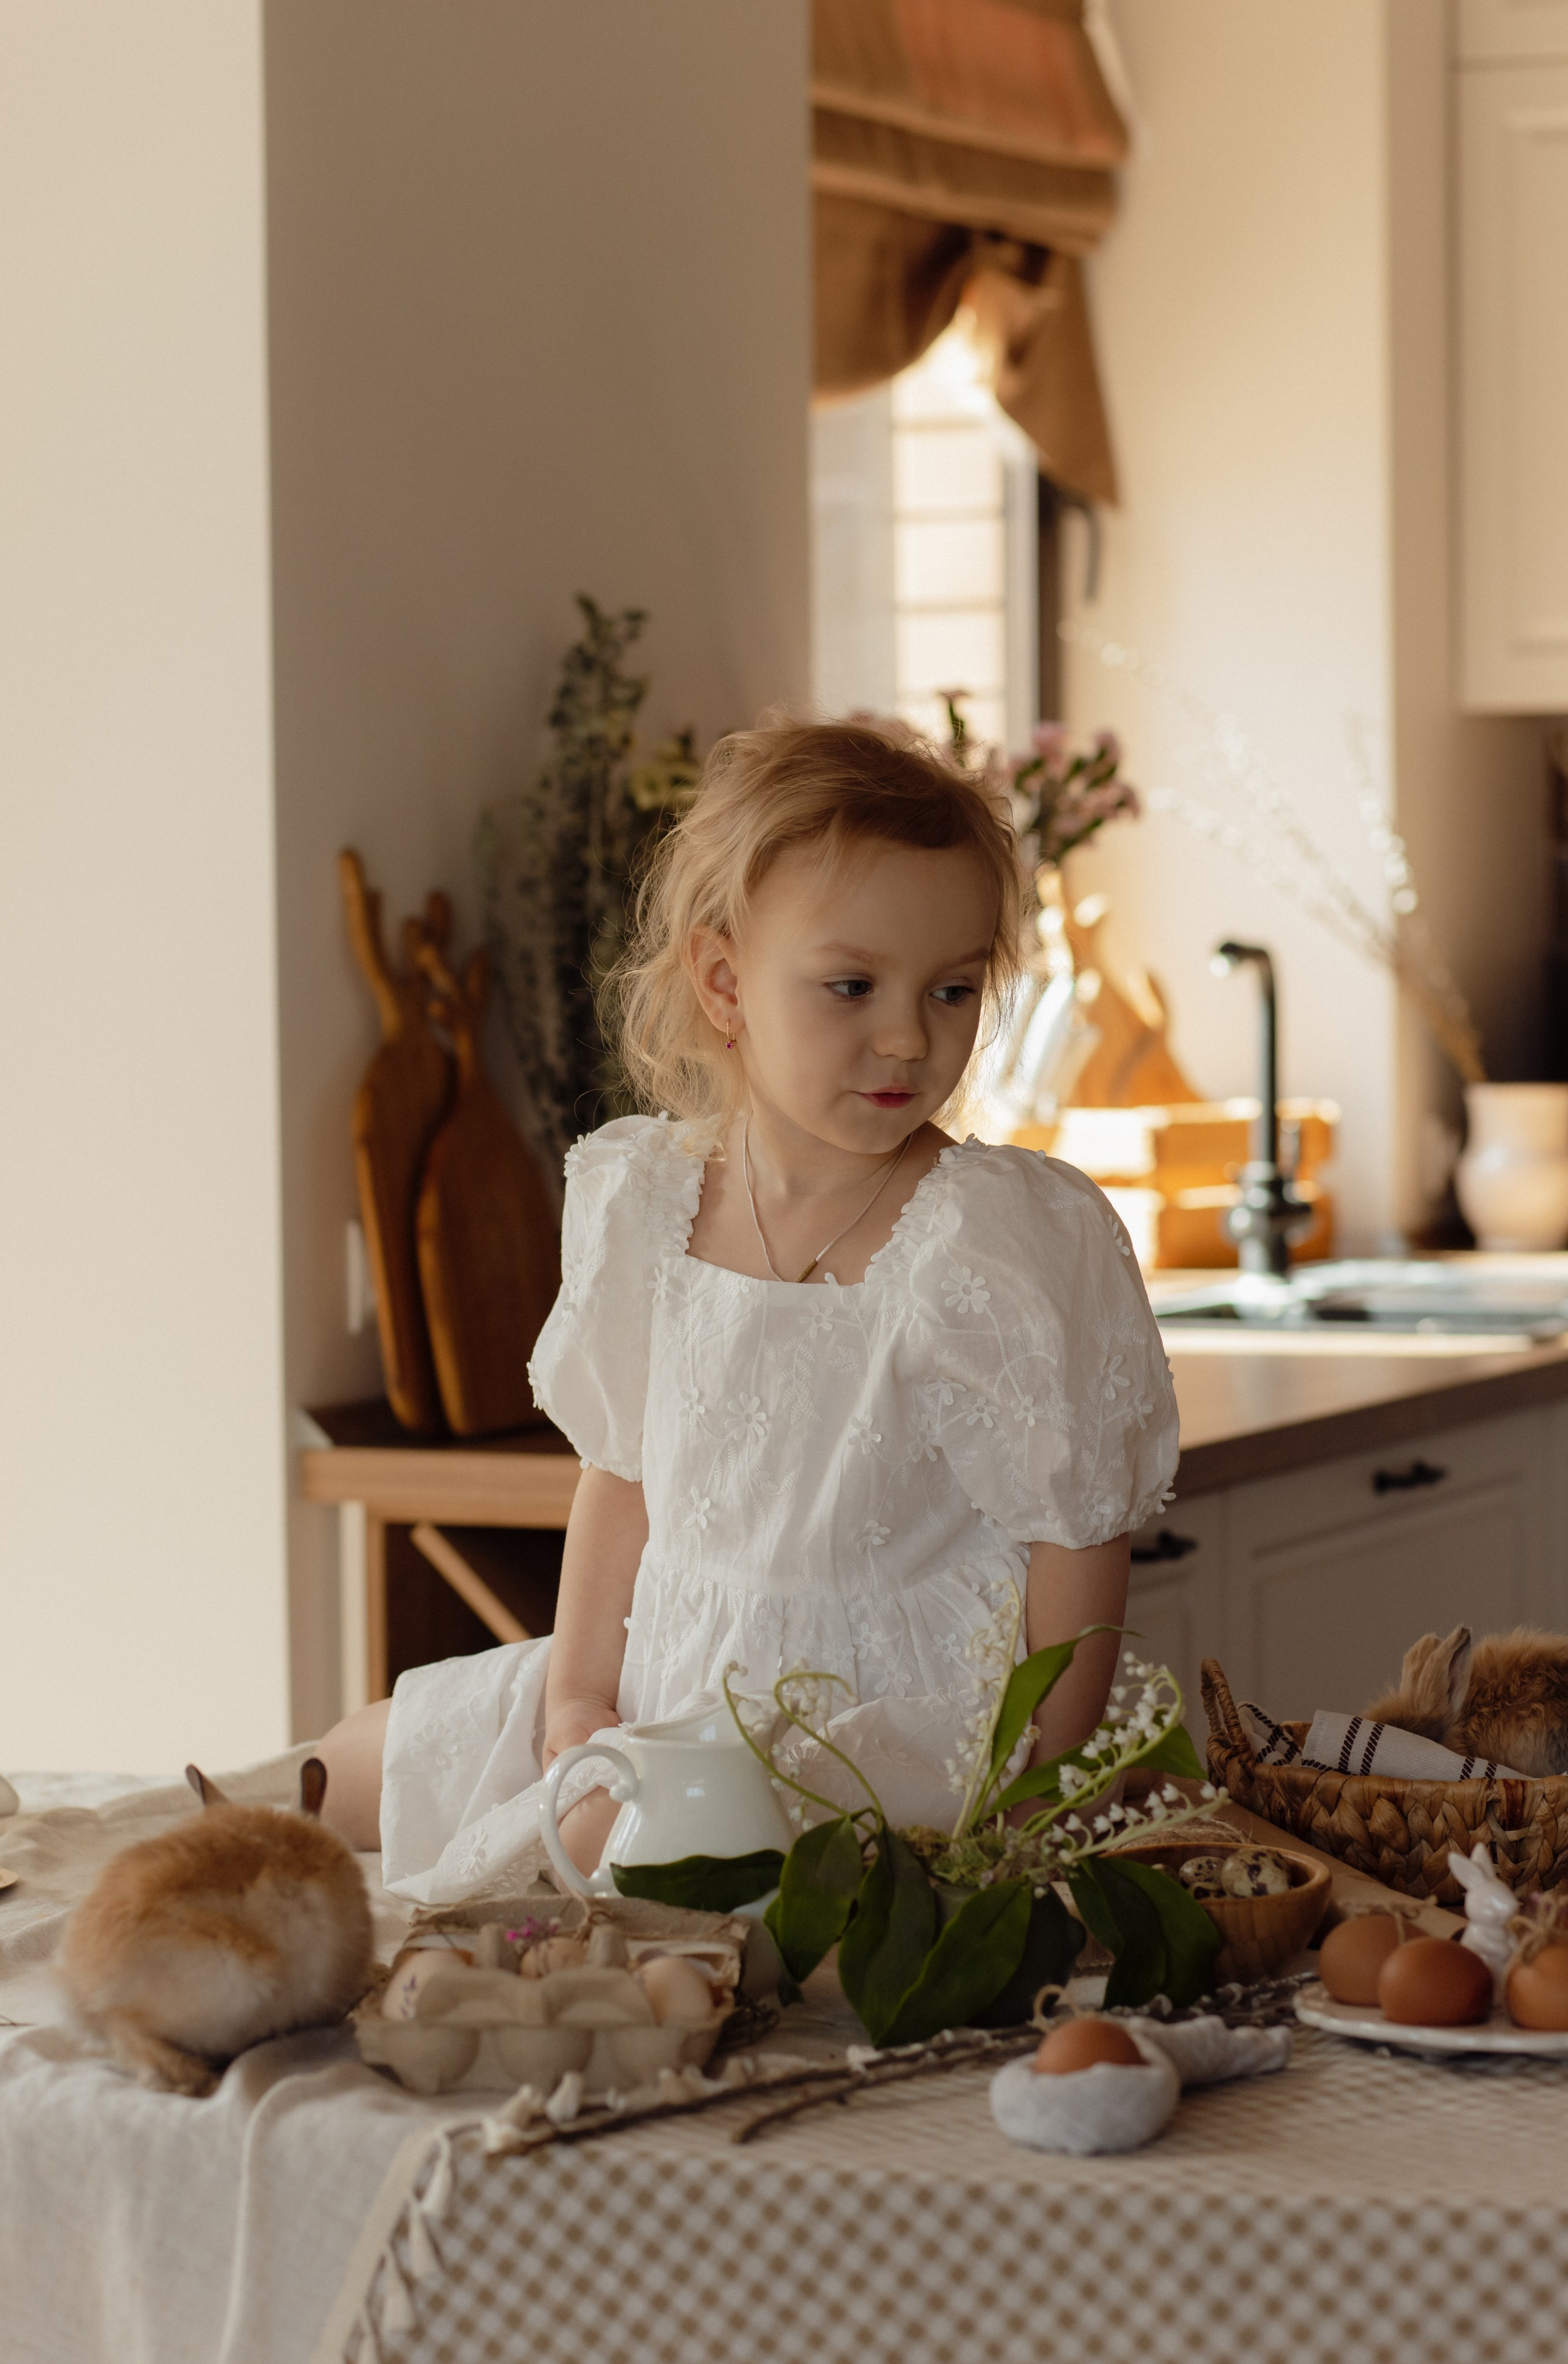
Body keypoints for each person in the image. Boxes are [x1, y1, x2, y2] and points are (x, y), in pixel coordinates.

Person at [318, 717, 1179, 1905]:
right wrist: (576, 1690)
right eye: (851, 986)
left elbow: (1078, 1540)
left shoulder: (997, 1236)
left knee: (699, 1885)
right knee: (374, 1758)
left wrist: (1040, 1786)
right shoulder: (648, 1201)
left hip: (885, 1727)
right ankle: (216, 1827)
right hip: (671, 1677)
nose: (908, 1037)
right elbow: (622, 1475)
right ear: (725, 983)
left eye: (952, 989)